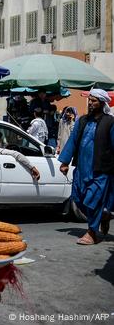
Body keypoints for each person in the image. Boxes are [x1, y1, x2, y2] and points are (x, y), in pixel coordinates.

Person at [58, 89, 114, 245]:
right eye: (90, 100)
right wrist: (64, 162)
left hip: (100, 170)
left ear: (102, 103)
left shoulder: (110, 122)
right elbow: (73, 141)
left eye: (94, 100)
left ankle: (92, 233)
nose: (90, 103)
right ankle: (104, 216)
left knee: (93, 201)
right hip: (82, 169)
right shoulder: (82, 121)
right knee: (79, 198)